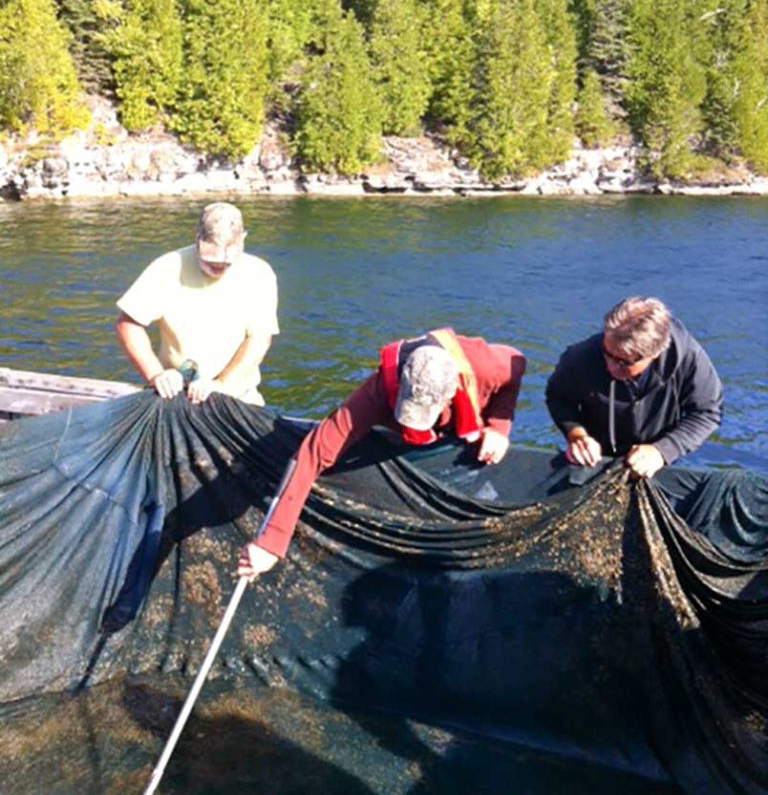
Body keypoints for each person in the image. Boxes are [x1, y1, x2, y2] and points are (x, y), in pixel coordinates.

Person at [237, 329, 526, 578]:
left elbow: (517, 362)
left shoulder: (485, 366)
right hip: (402, 442)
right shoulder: (377, 390)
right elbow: (313, 452)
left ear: (451, 393)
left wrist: (499, 428)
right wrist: (271, 542)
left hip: (462, 440)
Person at [116, 202, 278, 405]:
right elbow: (128, 324)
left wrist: (221, 384)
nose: (219, 268)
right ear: (196, 237)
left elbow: (259, 338)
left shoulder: (259, 273)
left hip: (237, 398)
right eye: (211, 262)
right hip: (174, 395)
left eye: (227, 264)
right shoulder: (167, 267)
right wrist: (156, 375)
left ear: (243, 238)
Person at [545, 296, 723, 479]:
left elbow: (706, 412)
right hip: (598, 456)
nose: (611, 367)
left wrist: (663, 451)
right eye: (607, 354)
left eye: (623, 362)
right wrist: (576, 435)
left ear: (654, 354)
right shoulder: (580, 357)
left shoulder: (688, 357)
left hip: (660, 457)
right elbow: (558, 398)